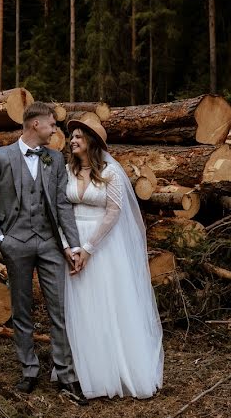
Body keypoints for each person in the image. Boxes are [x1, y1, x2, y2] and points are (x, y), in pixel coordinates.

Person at [0, 102, 89, 405]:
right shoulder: (2, 158)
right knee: (22, 310)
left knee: (59, 310)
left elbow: (63, 206)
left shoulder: (54, 158)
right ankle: (29, 370)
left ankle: (66, 377)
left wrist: (74, 245)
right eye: (52, 125)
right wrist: (1, 238)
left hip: (51, 245)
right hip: (16, 243)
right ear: (35, 125)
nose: (55, 130)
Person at [61, 114, 164, 399]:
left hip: (101, 246)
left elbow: (114, 212)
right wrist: (68, 246)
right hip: (72, 243)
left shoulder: (111, 172)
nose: (73, 141)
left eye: (79, 137)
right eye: (72, 137)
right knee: (80, 306)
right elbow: (61, 210)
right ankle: (85, 371)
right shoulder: (68, 171)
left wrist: (89, 249)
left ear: (91, 142)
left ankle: (112, 371)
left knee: (105, 303)